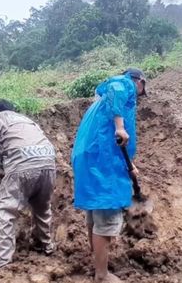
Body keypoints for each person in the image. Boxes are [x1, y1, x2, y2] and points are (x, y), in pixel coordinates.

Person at [71, 68, 147, 283]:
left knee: (96, 213)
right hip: (103, 165)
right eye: (141, 90)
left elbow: (108, 139)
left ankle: (96, 261)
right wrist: (121, 127)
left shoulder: (100, 105)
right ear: (139, 82)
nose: (139, 96)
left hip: (92, 158)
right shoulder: (123, 85)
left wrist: (129, 164)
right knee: (106, 214)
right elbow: (116, 87)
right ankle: (102, 274)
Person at [0, 99, 56, 269]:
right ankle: (45, 245)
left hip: (23, 164)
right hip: (49, 162)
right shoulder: (27, 120)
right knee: (42, 206)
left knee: (5, 209)